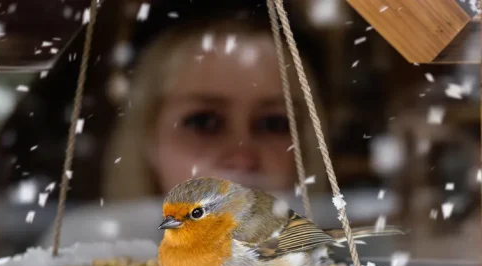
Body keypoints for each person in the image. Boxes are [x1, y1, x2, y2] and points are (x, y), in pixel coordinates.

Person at [38, 15, 396, 250]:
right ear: (147, 137)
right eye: (204, 122)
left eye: (273, 123)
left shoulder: (358, 263)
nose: (242, 153)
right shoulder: (82, 252)